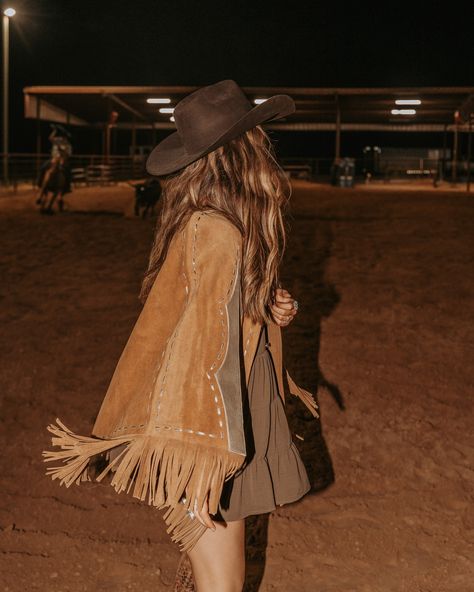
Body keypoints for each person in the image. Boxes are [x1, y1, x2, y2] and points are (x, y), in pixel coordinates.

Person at [42, 80, 319, 592]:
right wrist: (197, 461)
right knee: (222, 578)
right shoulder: (215, 231)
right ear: (242, 153)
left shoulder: (230, 225)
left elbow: (219, 315)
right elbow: (194, 350)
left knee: (219, 570)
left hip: (233, 407)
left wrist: (271, 303)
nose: (267, 151)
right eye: (258, 140)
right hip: (208, 418)